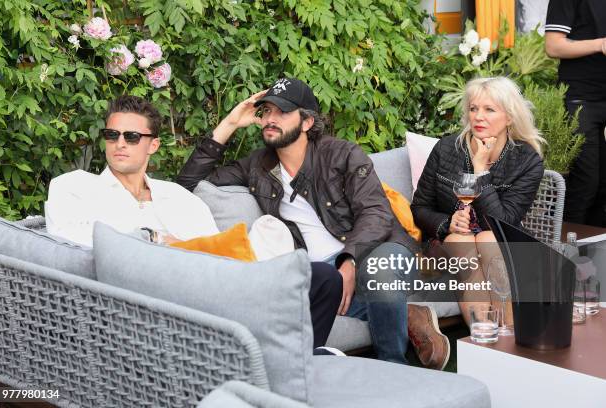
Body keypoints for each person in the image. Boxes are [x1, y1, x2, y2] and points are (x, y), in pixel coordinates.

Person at [177, 77, 450, 369]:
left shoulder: (342, 154)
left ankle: (394, 370)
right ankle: (409, 315)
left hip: (380, 250)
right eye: (266, 111)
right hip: (322, 271)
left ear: (307, 122)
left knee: (377, 274)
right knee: (286, 295)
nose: (270, 119)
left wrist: (350, 262)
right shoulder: (258, 165)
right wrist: (229, 123)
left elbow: (376, 214)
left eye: (281, 112)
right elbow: (187, 186)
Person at [45, 95, 342, 349]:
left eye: (132, 137)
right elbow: (70, 243)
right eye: (112, 135)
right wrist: (155, 239)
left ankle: (298, 360)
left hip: (215, 290)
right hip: (150, 305)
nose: (119, 143)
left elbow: (217, 256)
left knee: (322, 278)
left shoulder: (177, 196)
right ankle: (300, 360)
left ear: (153, 145)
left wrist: (230, 124)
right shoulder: (75, 186)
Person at [411, 76, 545, 326]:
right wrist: (447, 223)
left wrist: (481, 170)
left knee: (487, 238)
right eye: (473, 109)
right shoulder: (447, 149)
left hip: (497, 238)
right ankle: (484, 336)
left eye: (489, 110)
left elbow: (503, 223)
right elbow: (419, 208)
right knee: (462, 241)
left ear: (509, 117)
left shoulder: (527, 161)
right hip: (446, 243)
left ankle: (504, 334)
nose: (478, 116)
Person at [545, 0, 606, 227]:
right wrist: (600, 44)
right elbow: (553, 46)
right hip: (582, 99)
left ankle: (595, 256)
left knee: (603, 189)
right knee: (586, 184)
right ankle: (566, 254)